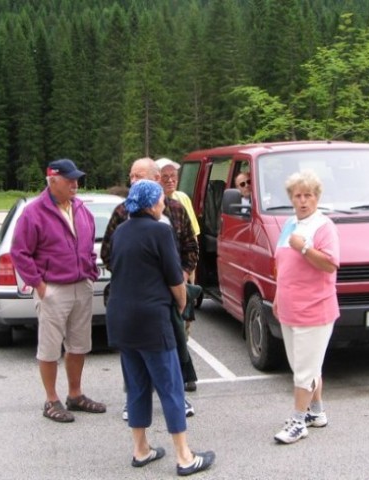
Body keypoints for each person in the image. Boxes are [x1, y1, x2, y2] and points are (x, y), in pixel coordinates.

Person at [105, 179, 215, 476]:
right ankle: (184, 456)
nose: (164, 203)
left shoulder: (121, 231)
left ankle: (141, 450)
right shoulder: (160, 230)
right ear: (152, 203)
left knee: (137, 386)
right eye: (160, 200)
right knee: (171, 387)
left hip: (121, 319)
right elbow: (175, 277)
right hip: (152, 319)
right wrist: (181, 306)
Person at [101, 157, 199, 419]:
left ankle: (179, 399)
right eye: (131, 176)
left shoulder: (175, 209)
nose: (133, 181)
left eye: (139, 176)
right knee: (134, 353)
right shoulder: (123, 213)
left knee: (176, 347)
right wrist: (137, 277)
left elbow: (191, 247)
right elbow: (107, 254)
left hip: (172, 293)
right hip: (138, 297)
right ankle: (134, 400)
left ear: (155, 179)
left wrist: (183, 276)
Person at [11, 158, 106, 423]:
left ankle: (75, 395)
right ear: (53, 180)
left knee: (79, 345)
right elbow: (20, 252)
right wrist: (40, 286)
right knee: (50, 349)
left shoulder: (80, 208)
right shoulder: (33, 212)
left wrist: (89, 272)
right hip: (53, 289)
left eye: (77, 179)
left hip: (81, 286)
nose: (75, 184)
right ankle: (51, 400)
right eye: (69, 179)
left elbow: (87, 245)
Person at [272, 169, 340, 444]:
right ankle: (316, 412)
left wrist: (304, 248)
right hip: (289, 307)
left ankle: (298, 422)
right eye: (298, 195)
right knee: (308, 366)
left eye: (308, 195)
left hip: (314, 309)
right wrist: (278, 295)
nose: (303, 201)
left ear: (317, 197)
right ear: (291, 198)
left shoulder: (324, 227)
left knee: (303, 370)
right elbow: (282, 265)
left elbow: (330, 263)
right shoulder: (290, 224)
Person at [155, 157, 200, 392]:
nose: (171, 181)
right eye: (165, 177)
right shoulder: (143, 208)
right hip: (156, 284)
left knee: (183, 324)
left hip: (182, 276)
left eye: (174, 177)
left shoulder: (181, 203)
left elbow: (192, 241)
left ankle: (184, 372)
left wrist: (186, 273)